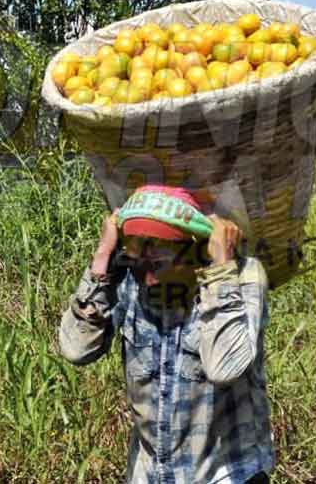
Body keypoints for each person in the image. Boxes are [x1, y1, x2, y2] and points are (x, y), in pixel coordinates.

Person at [58, 184, 274, 484]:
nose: (145, 266)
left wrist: (221, 269)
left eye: (158, 255)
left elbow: (225, 367)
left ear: (194, 246)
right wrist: (101, 259)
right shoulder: (130, 279)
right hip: (150, 475)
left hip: (225, 475)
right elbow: (76, 349)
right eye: (137, 251)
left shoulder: (242, 276)